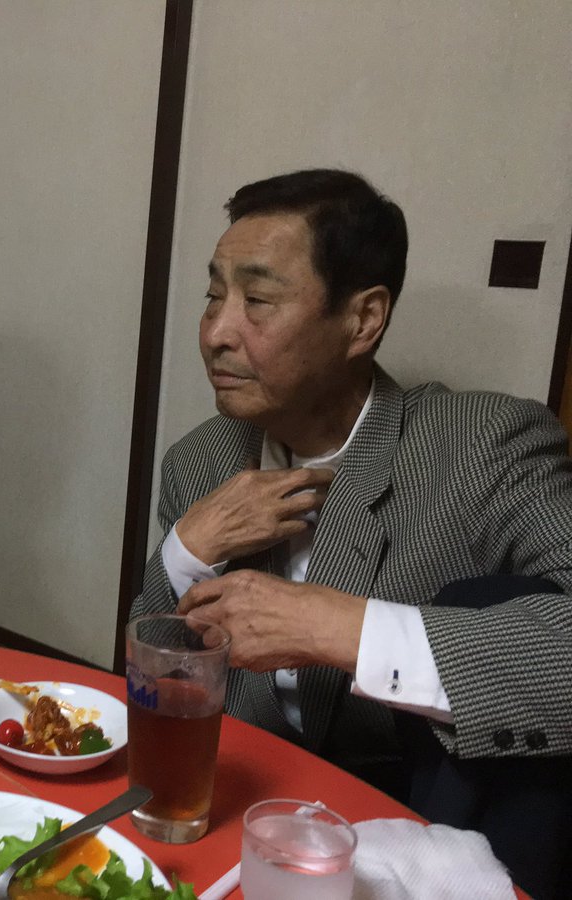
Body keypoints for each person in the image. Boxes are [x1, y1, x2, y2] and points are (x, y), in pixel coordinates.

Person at [131, 168, 572, 785]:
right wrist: (185, 551)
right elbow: (153, 683)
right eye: (213, 297)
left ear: (363, 320)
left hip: (414, 830)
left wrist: (335, 627)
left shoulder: (484, 444)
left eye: (256, 301)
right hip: (236, 795)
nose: (215, 333)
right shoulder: (201, 460)